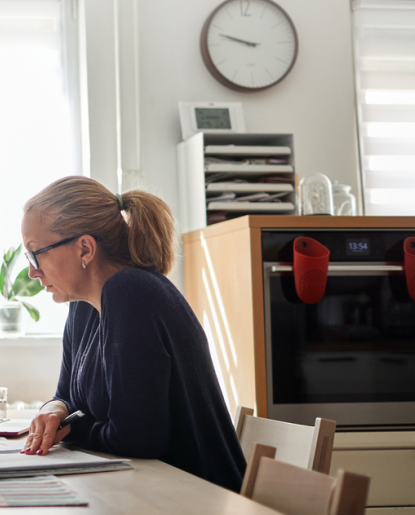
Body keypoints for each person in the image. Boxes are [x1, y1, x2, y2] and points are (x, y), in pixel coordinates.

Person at [19, 176, 246, 491]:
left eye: (35, 253)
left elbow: (138, 439)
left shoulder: (132, 292)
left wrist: (72, 428)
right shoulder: (83, 307)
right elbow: (67, 398)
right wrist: (54, 409)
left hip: (202, 499)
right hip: (151, 490)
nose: (32, 271)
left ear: (85, 249)